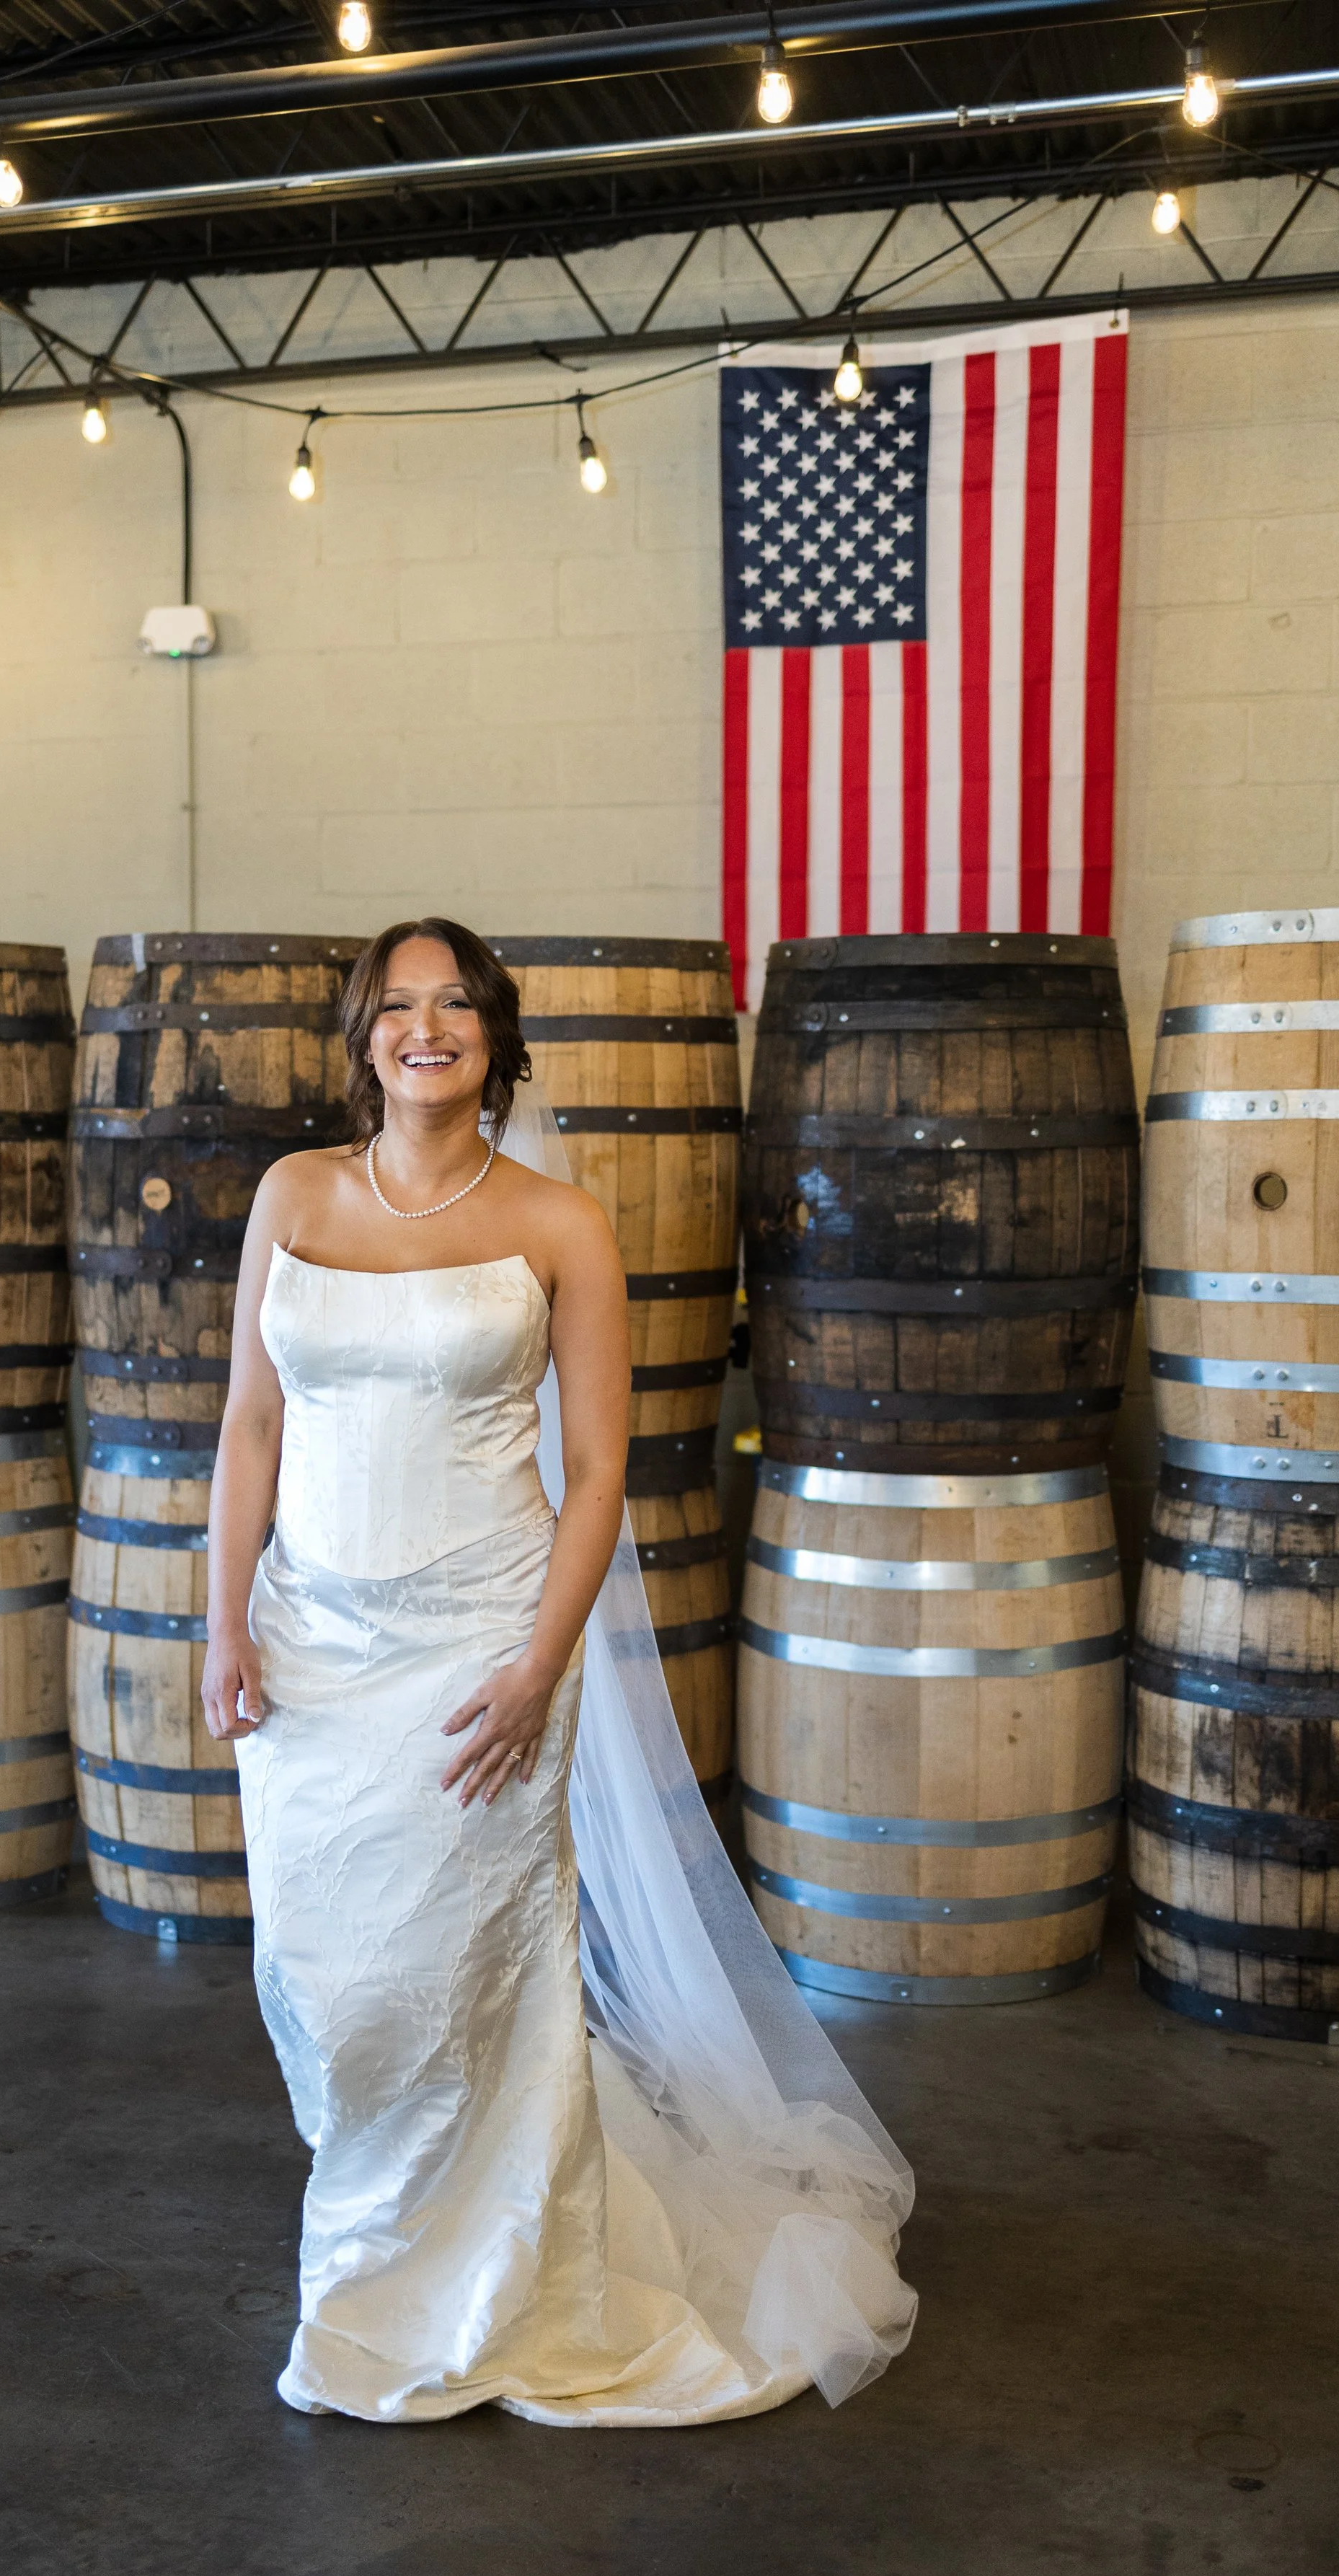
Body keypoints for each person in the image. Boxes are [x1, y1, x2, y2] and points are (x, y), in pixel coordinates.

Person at [204, 917, 916, 2426]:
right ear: (360, 1039)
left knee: (464, 1978)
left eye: (453, 1003)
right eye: (395, 1006)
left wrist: (539, 1667)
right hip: (313, 1648)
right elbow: (249, 1429)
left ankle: (481, 2288)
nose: (423, 1027)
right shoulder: (292, 1197)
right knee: (328, 1987)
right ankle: (381, 2257)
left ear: (495, 1037)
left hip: (482, 1646)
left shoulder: (557, 1224)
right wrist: (218, 1620)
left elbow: (598, 1472)